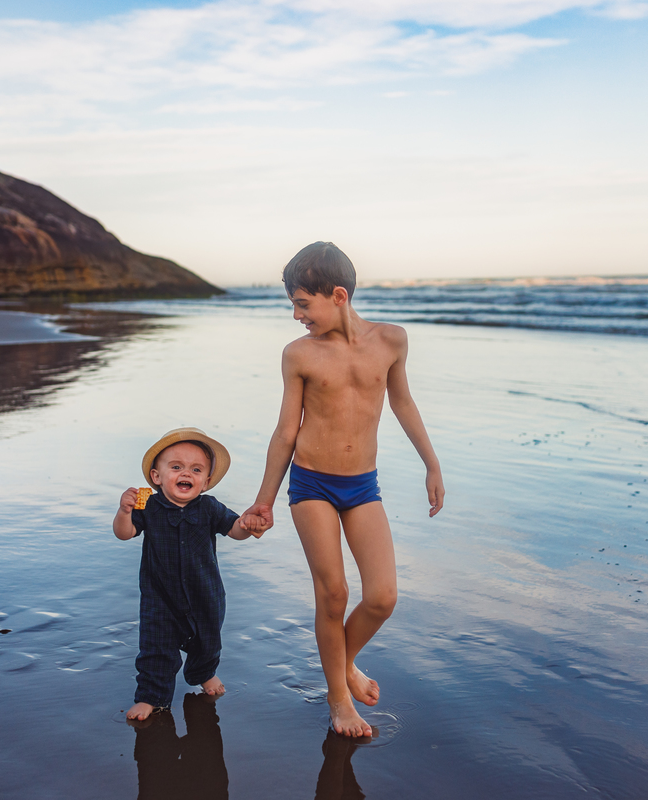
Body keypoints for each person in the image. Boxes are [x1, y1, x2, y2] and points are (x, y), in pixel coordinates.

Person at [241, 242, 444, 737]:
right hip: (311, 484)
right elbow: (286, 431)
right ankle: (339, 700)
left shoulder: (392, 341)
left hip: (363, 487)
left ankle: (344, 664)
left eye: (302, 304)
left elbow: (404, 405)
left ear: (338, 296)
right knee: (333, 593)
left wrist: (432, 464)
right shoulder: (299, 355)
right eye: (293, 304)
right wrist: (264, 499)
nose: (296, 315)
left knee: (382, 597)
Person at [114, 427, 260, 722]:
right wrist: (124, 511)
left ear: (205, 482)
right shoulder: (150, 507)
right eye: (176, 467)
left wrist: (247, 524)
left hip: (204, 594)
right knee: (156, 647)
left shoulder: (210, 508)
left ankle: (203, 673)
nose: (186, 474)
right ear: (157, 477)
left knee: (207, 642)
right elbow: (124, 533)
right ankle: (151, 697)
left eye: (196, 469)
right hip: (160, 597)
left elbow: (234, 530)